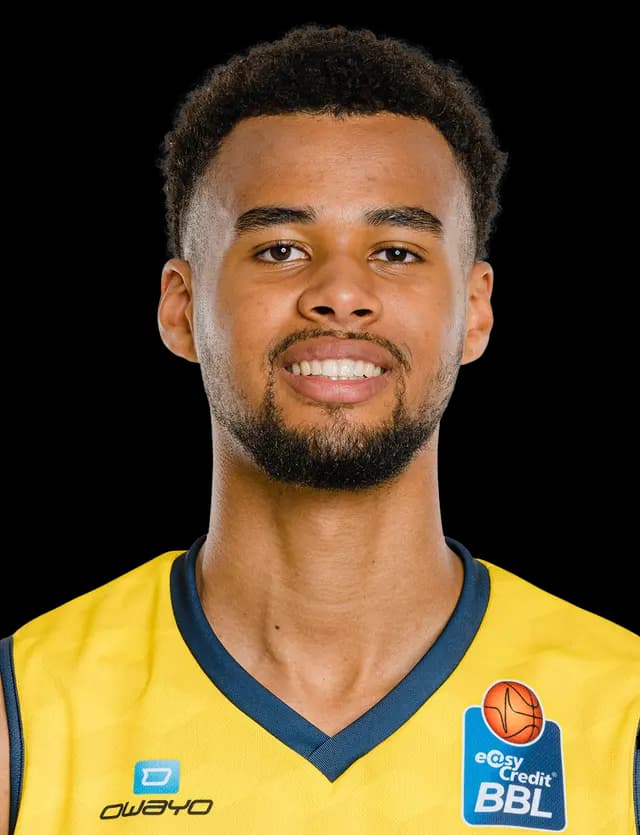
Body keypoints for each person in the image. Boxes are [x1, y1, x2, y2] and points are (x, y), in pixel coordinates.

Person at [1, 22, 638, 834]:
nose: (341, 292)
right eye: (280, 249)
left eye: (397, 251)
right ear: (180, 309)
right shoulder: (27, 712)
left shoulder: (621, 708)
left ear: (475, 312)